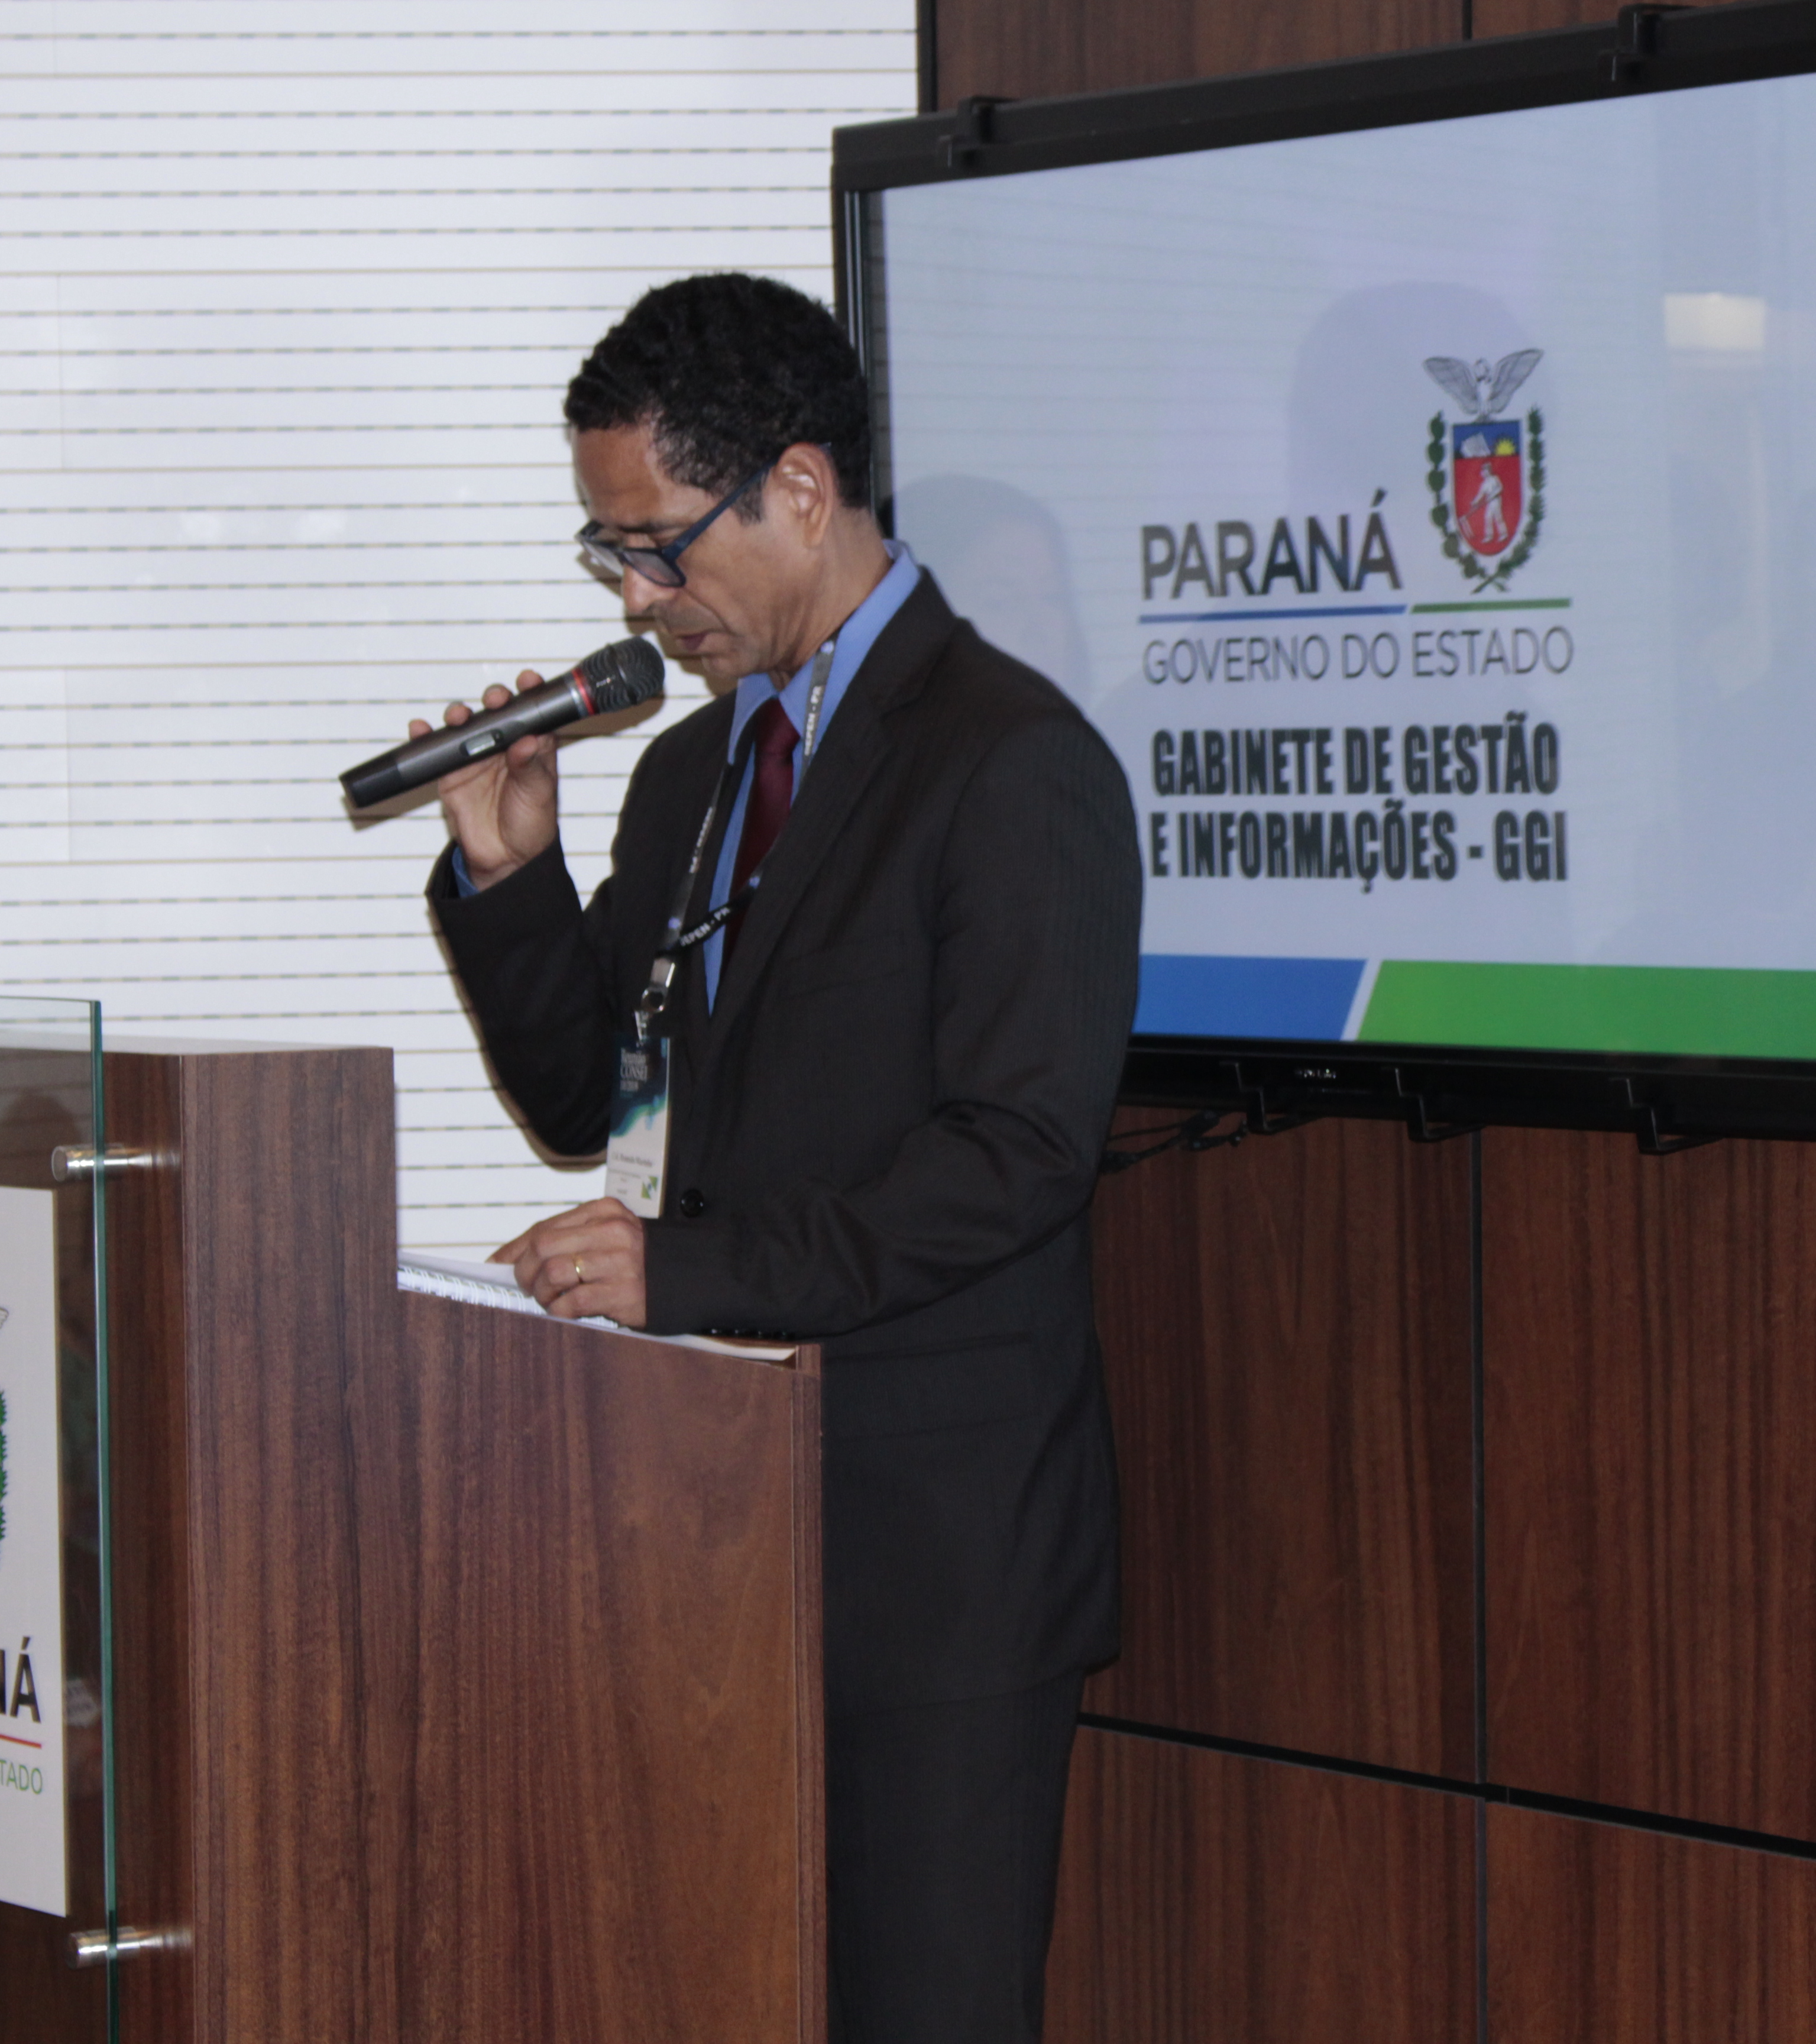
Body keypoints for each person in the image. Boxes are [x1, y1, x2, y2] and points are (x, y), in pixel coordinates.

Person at [411, 272, 1139, 2043]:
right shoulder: (692, 779)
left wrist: (689, 1274)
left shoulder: (1011, 761)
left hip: (933, 1570)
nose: (638, 602)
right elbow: (595, 1103)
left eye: (657, 548)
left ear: (799, 490)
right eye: (610, 556)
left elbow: (1018, 1155)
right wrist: (510, 874)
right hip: (706, 1533)